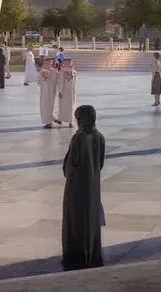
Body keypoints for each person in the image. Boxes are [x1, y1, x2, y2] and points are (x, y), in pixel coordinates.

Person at [61, 104, 105, 271]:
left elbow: (70, 165)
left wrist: (70, 174)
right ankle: (91, 254)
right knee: (90, 220)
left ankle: (76, 255)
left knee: (75, 221)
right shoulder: (99, 136)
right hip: (92, 185)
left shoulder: (78, 138)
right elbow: (100, 163)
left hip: (76, 187)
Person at [38, 58, 61, 128]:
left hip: (51, 91)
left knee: (49, 106)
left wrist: (60, 91)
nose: (48, 64)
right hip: (44, 91)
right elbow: (39, 82)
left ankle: (49, 122)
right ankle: (52, 119)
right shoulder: (42, 71)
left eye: (49, 62)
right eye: (46, 62)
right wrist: (43, 76)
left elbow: (58, 82)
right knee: (44, 106)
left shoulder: (55, 71)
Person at [57, 59, 78, 127]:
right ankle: (61, 119)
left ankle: (70, 121)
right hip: (64, 91)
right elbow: (60, 82)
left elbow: (75, 82)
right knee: (62, 105)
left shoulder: (74, 72)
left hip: (72, 92)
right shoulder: (62, 72)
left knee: (71, 106)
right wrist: (60, 91)